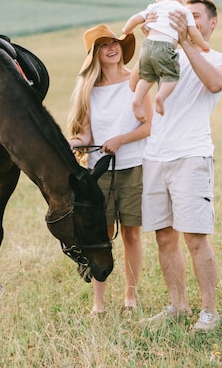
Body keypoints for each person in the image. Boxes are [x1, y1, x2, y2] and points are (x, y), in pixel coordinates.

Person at [139, 0, 222, 331]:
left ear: (212, 22)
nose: (187, 21)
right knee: (164, 237)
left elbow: (214, 82)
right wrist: (152, 38)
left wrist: (185, 39)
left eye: (195, 17)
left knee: (195, 237)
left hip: (191, 155)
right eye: (183, 16)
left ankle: (209, 311)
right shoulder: (167, 54)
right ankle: (177, 306)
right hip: (154, 155)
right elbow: (136, 85)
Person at [67, 24, 153, 315]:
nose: (112, 48)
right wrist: (68, 143)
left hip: (134, 166)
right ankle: (99, 302)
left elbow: (149, 126)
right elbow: (87, 137)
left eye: (115, 42)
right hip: (99, 172)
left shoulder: (136, 81)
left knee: (131, 233)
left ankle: (131, 295)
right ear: (95, 54)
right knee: (100, 234)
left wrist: (121, 140)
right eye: (104, 45)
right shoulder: (89, 90)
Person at [122, 0, 210, 121]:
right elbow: (193, 32)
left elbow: (135, 19)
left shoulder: (154, 7)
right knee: (171, 77)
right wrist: (203, 45)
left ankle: (137, 100)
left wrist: (127, 30)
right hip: (165, 47)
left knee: (147, 77)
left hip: (147, 47)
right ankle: (160, 97)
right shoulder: (182, 10)